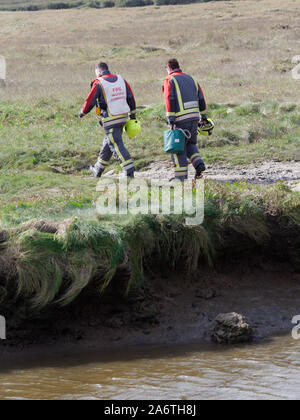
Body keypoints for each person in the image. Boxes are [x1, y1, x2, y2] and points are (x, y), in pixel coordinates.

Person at [79, 62, 136, 178]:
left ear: (99, 72)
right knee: (109, 142)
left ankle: (129, 169)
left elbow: (90, 100)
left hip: (110, 119)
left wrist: (82, 112)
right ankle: (98, 169)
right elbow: (130, 97)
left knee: (116, 144)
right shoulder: (121, 80)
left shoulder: (99, 82)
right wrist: (133, 115)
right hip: (123, 117)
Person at [162, 58, 207, 181]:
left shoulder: (169, 79)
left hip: (180, 119)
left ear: (169, 68)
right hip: (194, 118)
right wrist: (203, 116)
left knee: (177, 147)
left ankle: (180, 177)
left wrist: (171, 118)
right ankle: (199, 163)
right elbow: (201, 97)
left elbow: (169, 98)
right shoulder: (191, 78)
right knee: (190, 143)